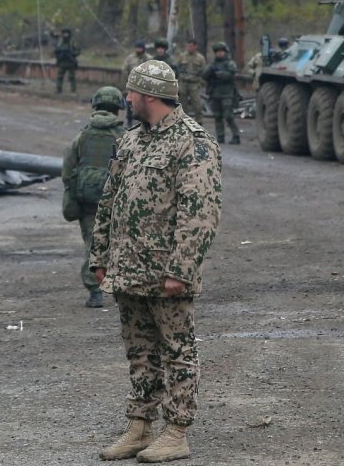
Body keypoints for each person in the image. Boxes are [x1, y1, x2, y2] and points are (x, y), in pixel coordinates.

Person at [89, 59, 221, 463]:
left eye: (130, 92)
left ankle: (177, 431)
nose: (125, 98)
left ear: (148, 95)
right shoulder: (130, 141)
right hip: (128, 269)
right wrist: (100, 254)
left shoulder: (192, 142)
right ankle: (140, 426)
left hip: (166, 272)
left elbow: (200, 213)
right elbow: (110, 200)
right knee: (140, 350)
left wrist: (181, 270)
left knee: (178, 350)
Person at [62, 86, 126, 308]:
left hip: (88, 201)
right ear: (118, 109)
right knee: (122, 244)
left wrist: (74, 195)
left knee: (92, 244)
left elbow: (68, 169)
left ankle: (95, 293)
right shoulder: (124, 137)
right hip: (117, 202)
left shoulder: (82, 135)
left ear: (95, 106)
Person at [203, 42, 242, 144]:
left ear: (225, 52)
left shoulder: (230, 63)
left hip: (227, 93)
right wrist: (210, 71)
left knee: (228, 115)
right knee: (217, 115)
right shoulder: (212, 64)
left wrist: (218, 74)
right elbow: (204, 75)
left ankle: (236, 135)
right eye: (218, 52)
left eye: (221, 52)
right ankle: (220, 136)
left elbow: (231, 74)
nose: (220, 54)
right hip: (215, 93)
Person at [176, 39, 207, 122]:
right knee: (182, 105)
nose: (189, 48)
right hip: (183, 83)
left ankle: (199, 122)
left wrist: (202, 82)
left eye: (191, 46)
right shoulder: (182, 56)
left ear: (195, 46)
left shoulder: (200, 58)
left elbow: (203, 71)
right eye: (188, 46)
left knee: (197, 105)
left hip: (194, 84)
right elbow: (177, 69)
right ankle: (183, 122)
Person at [121, 41, 148, 128]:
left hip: (144, 86)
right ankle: (129, 121)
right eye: (137, 48)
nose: (138, 50)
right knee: (130, 104)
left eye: (140, 48)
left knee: (145, 105)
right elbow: (124, 70)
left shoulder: (148, 58)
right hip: (132, 85)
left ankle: (144, 122)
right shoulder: (130, 58)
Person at [54, 27, 81, 93]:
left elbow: (78, 51)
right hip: (62, 62)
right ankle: (58, 89)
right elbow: (56, 51)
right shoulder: (60, 42)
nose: (65, 35)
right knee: (60, 76)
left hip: (70, 62)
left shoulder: (72, 42)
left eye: (66, 33)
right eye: (63, 33)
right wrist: (60, 55)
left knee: (72, 77)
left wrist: (72, 53)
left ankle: (73, 90)